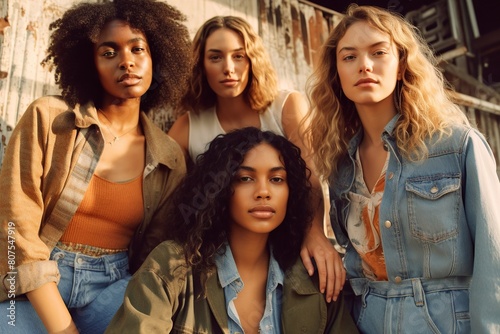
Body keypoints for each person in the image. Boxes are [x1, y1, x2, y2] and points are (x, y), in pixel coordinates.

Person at [304, 4, 500, 333]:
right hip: (367, 321)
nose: (364, 65)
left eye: (378, 52)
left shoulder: (457, 145)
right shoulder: (340, 165)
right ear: (337, 73)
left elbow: (493, 259)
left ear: (400, 65)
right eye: (349, 57)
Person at [0, 0, 190, 333]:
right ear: (90, 64)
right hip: (38, 283)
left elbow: (156, 253)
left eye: (138, 49)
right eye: (109, 52)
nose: (126, 62)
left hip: (113, 287)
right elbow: (16, 225)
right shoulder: (50, 119)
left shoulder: (168, 157)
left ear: (156, 58)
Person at [106, 127, 358, 333]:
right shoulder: (172, 267)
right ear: (220, 189)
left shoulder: (316, 278)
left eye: (277, 179)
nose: (263, 191)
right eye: (245, 178)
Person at [167, 15, 345, 303]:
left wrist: (315, 234)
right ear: (200, 64)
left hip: (286, 239)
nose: (229, 68)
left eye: (239, 56)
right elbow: (172, 201)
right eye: (215, 57)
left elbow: (311, 179)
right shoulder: (188, 127)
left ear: (252, 60)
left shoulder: (286, 107)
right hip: (220, 251)